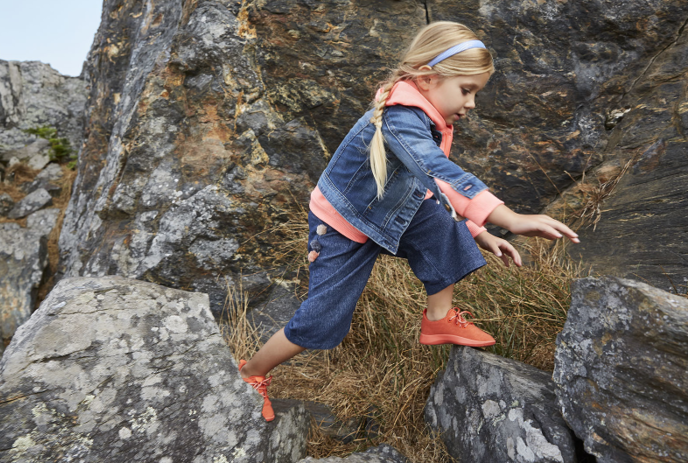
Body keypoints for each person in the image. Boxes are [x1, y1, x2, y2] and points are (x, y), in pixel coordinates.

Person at [238, 21, 579, 421]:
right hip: (344, 226)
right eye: (466, 90)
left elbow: (428, 190)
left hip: (394, 209)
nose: (471, 104)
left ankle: (438, 320)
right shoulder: (402, 118)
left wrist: (480, 231)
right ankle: (251, 372)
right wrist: (509, 217)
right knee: (323, 320)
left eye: (475, 93)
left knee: (448, 230)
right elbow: (435, 171)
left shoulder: (428, 116)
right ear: (428, 77)